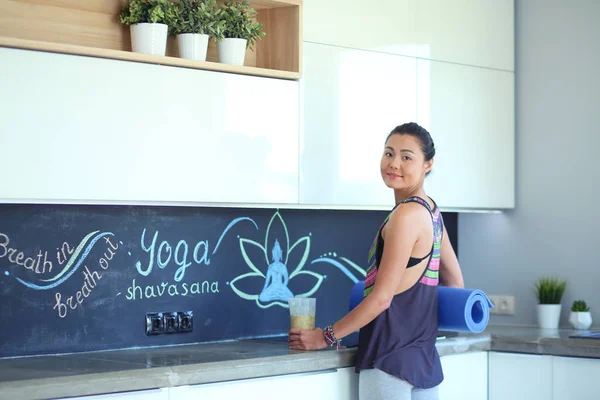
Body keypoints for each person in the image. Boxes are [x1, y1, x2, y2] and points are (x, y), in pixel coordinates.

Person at [288, 122, 465, 400]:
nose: (394, 163)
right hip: (424, 362)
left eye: (407, 157)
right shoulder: (432, 212)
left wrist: (325, 336)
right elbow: (455, 282)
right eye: (389, 153)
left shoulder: (405, 216)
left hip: (389, 360)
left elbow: (381, 299)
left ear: (427, 164)